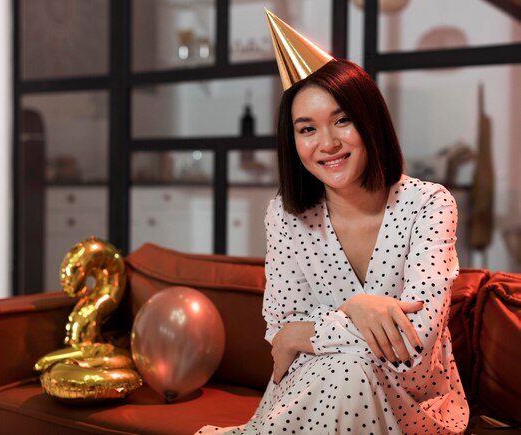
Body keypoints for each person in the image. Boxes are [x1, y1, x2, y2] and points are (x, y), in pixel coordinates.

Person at [196, 9, 469, 435]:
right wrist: (354, 311)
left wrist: (305, 333)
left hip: (412, 401)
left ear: (370, 122)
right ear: (294, 141)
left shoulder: (428, 204)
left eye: (342, 120)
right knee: (349, 365)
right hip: (307, 392)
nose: (327, 144)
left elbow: (415, 342)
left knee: (353, 366)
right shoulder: (285, 216)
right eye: (307, 129)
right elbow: (279, 327)